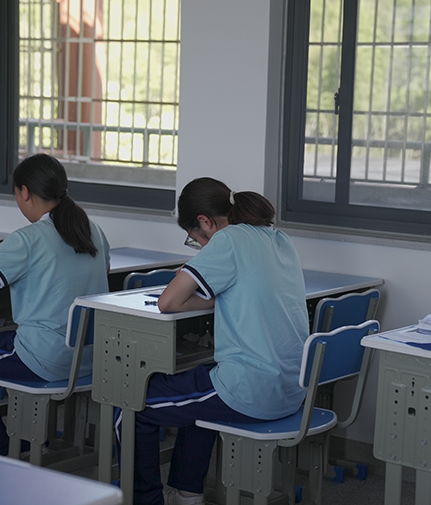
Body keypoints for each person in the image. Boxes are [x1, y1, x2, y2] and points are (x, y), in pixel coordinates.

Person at [122, 177, 309, 505]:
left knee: (130, 400)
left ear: (205, 222)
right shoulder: (277, 237)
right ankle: (187, 493)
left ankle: (146, 499)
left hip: (251, 390)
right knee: (198, 386)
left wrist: (204, 291)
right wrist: (212, 293)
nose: (197, 244)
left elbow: (168, 302)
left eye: (193, 237)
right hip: (292, 389)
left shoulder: (228, 239)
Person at [0, 153, 110, 455]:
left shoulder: (28, 238)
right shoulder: (92, 229)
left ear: (24, 192)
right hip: (90, 357)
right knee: (1, 345)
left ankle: (0, 455)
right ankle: (24, 443)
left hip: (44, 356)